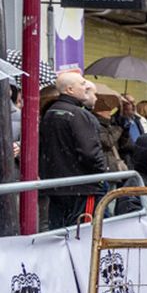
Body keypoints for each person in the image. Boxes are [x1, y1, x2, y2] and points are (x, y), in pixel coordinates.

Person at [40, 69, 109, 229]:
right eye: (83, 83)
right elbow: (89, 152)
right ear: (70, 89)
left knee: (59, 233)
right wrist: (101, 172)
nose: (86, 87)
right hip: (82, 187)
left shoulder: (50, 112)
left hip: (58, 186)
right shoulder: (78, 114)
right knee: (83, 233)